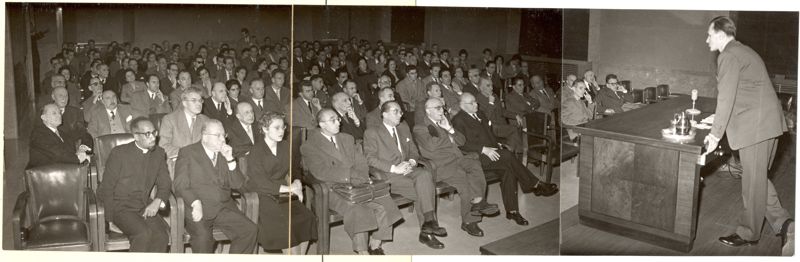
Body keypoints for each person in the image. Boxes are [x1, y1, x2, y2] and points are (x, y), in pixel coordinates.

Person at [703, 16, 793, 251]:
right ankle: (787, 225)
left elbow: (726, 96)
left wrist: (714, 135)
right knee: (757, 180)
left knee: (752, 183)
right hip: (767, 124)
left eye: (709, 35)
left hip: (755, 127)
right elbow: (744, 93)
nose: (706, 40)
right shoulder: (744, 51)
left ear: (721, 35)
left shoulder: (729, 55)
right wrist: (720, 120)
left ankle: (749, 233)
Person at [300, 109, 403, 255]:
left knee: (385, 200)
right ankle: (362, 252)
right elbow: (320, 171)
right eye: (333, 120)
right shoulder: (310, 145)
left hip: (356, 183)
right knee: (358, 209)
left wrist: (360, 176)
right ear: (322, 124)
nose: (338, 122)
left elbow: (361, 161)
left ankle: (376, 243)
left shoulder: (347, 138)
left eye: (338, 118)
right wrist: (350, 175)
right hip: (331, 189)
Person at [452, 93, 558, 225]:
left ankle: (512, 211)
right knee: (508, 156)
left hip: (492, 153)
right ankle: (535, 184)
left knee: (509, 169)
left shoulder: (480, 114)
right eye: (471, 103)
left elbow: (489, 134)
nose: (476, 105)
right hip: (475, 157)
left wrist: (498, 145)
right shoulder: (458, 120)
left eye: (476, 102)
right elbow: (461, 144)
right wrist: (483, 149)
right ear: (462, 106)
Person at [363, 101, 447, 249]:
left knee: (425, 175)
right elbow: (370, 159)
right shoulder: (372, 132)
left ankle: (428, 223)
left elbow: (414, 151)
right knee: (425, 190)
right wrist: (395, 168)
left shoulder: (403, 128)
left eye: (401, 111)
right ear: (384, 114)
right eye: (396, 111)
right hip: (388, 174)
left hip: (408, 170)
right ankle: (427, 230)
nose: (400, 114)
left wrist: (412, 161)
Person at [414, 98, 499, 236]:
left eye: (442, 107)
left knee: (475, 164)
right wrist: (449, 137)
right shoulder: (420, 128)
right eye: (438, 108)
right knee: (466, 184)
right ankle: (469, 221)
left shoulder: (445, 122)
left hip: (458, 158)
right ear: (428, 110)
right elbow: (431, 146)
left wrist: (450, 129)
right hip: (443, 165)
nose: (442, 110)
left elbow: (462, 140)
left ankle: (479, 201)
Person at [173, 119, 257, 254]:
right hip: (198, 207)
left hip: (223, 207)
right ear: (204, 136)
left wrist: (230, 159)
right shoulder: (188, 153)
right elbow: (180, 185)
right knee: (203, 239)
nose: (222, 139)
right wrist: (195, 202)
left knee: (249, 230)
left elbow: (238, 184)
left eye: (224, 135)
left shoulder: (226, 153)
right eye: (217, 135)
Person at [244, 112, 316, 254]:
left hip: (284, 191)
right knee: (286, 224)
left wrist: (297, 183)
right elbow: (259, 181)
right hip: (263, 193)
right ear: (265, 129)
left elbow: (295, 168)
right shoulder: (256, 150)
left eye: (283, 127)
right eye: (276, 128)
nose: (281, 131)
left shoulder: (285, 146)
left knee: (306, 218)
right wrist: (289, 188)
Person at [96, 117, 171, 252]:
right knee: (143, 234)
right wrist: (109, 220)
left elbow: (165, 182)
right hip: (120, 207)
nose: (153, 137)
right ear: (136, 136)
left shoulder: (158, 153)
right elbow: (106, 188)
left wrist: (158, 201)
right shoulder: (119, 153)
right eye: (147, 134)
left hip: (144, 204)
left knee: (161, 236)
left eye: (154, 132)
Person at [28, 103, 90, 168]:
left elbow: (84, 135)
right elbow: (57, 154)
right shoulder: (38, 134)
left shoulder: (61, 132)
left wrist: (81, 148)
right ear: (44, 117)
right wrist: (78, 158)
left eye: (59, 112)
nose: (59, 115)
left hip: (63, 170)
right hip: (46, 174)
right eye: (54, 113)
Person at [159, 87, 210, 159]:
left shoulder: (205, 120)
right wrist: (187, 153)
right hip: (178, 161)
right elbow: (163, 146)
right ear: (184, 103)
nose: (198, 104)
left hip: (201, 162)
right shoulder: (170, 119)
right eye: (194, 100)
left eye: (200, 100)